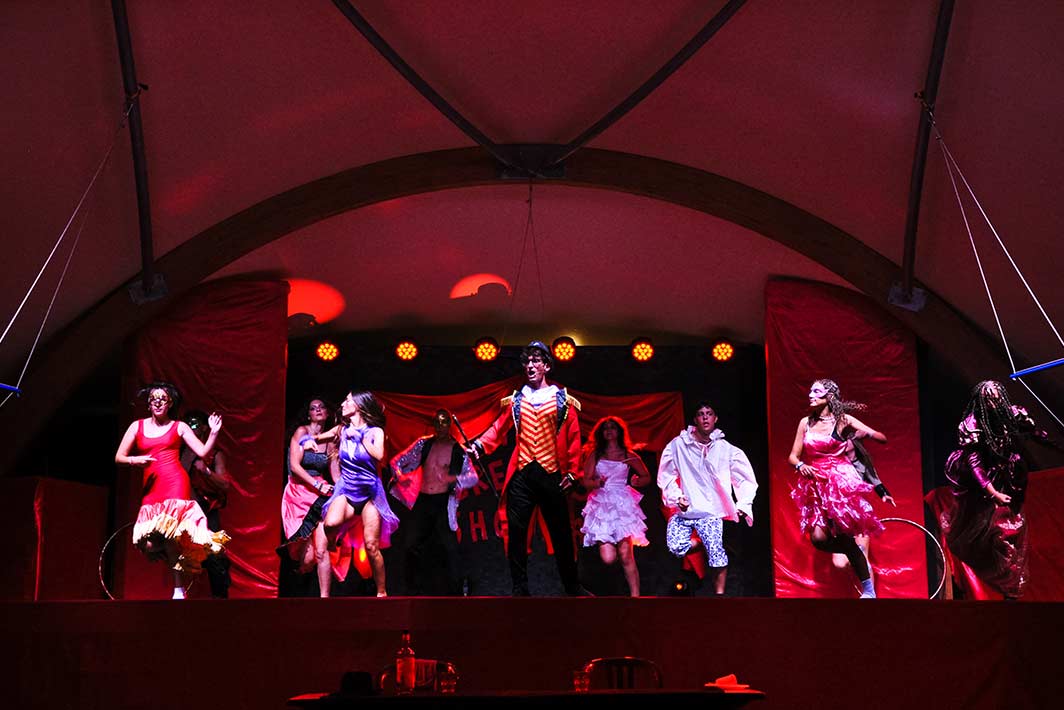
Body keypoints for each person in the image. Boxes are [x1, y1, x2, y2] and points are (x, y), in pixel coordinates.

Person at [470, 340, 585, 596]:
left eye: (536, 361)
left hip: (551, 474)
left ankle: (572, 586)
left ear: (546, 366)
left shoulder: (562, 400)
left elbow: (574, 438)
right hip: (522, 475)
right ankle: (520, 587)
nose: (530, 366)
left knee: (561, 533)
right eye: (527, 362)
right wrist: (479, 445)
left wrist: (572, 472)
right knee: (517, 534)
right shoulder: (516, 400)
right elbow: (498, 429)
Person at [114, 382, 230, 599]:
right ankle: (175, 558)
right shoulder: (137, 427)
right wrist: (135, 460)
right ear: (149, 404)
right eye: (154, 399)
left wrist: (213, 433)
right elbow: (119, 457)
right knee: (148, 543)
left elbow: (203, 452)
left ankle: (178, 589)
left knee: (170, 534)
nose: (158, 403)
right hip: (151, 487)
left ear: (169, 404)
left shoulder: (179, 427)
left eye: (163, 399)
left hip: (175, 483)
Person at [940, 380, 1048, 600]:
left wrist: (1042, 436)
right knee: (974, 532)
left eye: (997, 398)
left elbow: (1034, 432)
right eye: (988, 399)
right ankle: (997, 576)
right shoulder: (972, 424)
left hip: (1005, 473)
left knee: (1010, 530)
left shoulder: (1012, 414)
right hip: (977, 483)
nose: (994, 402)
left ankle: (1011, 587)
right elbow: (975, 463)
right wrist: (992, 492)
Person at [788, 379, 885, 598]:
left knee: (846, 539)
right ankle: (853, 551)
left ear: (829, 396)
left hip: (839, 484)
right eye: (810, 391)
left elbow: (880, 437)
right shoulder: (805, 423)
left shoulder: (843, 420)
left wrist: (865, 434)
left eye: (816, 391)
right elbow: (793, 456)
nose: (811, 395)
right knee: (819, 539)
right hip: (816, 484)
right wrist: (801, 465)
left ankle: (869, 590)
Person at [657, 400, 758, 596]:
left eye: (709, 413)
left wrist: (743, 503)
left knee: (716, 555)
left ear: (715, 418)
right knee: (676, 546)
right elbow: (666, 476)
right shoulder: (679, 445)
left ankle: (719, 595)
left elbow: (745, 478)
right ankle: (705, 542)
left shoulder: (725, 449)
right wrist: (677, 497)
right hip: (686, 509)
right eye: (701, 414)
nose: (705, 417)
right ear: (695, 419)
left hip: (711, 510)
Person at [317, 390, 399, 597]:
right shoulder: (342, 430)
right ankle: (336, 539)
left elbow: (379, 455)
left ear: (359, 406)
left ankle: (381, 592)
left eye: (347, 401)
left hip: (370, 493)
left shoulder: (375, 432)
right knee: (330, 524)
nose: (343, 404)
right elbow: (318, 438)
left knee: (371, 546)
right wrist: (307, 441)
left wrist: (361, 437)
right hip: (347, 489)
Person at [389, 409, 479, 595]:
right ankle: (413, 590)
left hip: (443, 502)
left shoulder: (458, 450)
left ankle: (457, 590)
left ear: (449, 425)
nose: (440, 426)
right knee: (411, 544)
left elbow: (473, 477)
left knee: (450, 547)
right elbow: (396, 462)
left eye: (444, 422)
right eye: (437, 422)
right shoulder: (424, 444)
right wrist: (400, 476)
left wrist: (451, 478)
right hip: (423, 500)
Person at [579, 416, 652, 597]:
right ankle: (613, 586)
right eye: (606, 428)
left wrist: (637, 481)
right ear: (601, 433)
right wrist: (596, 483)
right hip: (602, 504)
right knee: (608, 558)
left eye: (613, 427)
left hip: (622, 504)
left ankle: (636, 597)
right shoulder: (595, 455)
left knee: (626, 554)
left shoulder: (628, 455)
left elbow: (646, 476)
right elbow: (585, 480)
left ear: (619, 431)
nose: (609, 431)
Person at [279, 398, 336, 597]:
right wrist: (317, 485)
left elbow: (335, 474)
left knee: (321, 550)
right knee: (307, 558)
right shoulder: (301, 432)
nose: (318, 410)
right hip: (299, 493)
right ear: (309, 414)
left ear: (327, 413)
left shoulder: (330, 442)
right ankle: (297, 587)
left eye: (321, 407)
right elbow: (295, 466)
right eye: (313, 408)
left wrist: (346, 490)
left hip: (319, 496)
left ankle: (325, 599)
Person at [181, 409, 232, 598]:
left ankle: (220, 599)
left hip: (206, 510)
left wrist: (206, 471)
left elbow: (225, 484)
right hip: (183, 511)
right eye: (188, 424)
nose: (190, 428)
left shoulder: (214, 455)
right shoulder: (178, 452)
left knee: (213, 556)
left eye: (194, 424)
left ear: (204, 428)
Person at [830, 434, 896, 582]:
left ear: (854, 442)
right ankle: (855, 558)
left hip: (859, 514)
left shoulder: (862, 464)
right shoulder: (835, 463)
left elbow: (875, 480)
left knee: (864, 558)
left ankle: (870, 593)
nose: (843, 443)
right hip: (840, 516)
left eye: (846, 439)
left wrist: (884, 494)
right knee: (839, 563)